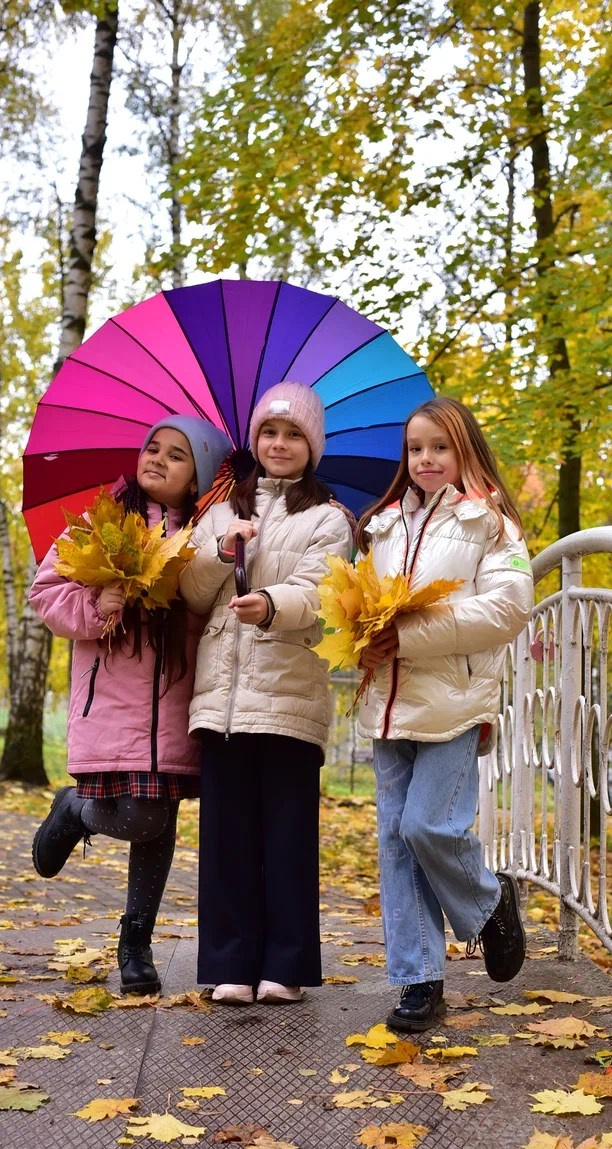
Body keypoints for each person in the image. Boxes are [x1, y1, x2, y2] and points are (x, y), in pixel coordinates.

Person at [29, 415, 232, 996]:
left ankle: (135, 942)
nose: (158, 460)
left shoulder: (199, 538)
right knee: (136, 817)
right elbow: (47, 593)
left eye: (177, 455)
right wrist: (98, 602)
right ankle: (74, 811)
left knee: (155, 820)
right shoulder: (100, 524)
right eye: (153, 448)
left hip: (172, 704)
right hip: (109, 703)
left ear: (197, 480)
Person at [355, 396, 534, 1032]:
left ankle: (490, 902)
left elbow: (505, 612)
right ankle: (419, 982)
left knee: (430, 828)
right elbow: (360, 605)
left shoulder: (492, 526)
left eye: (439, 447)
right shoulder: (380, 527)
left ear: (465, 449)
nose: (425, 459)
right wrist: (364, 636)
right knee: (396, 846)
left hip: (456, 704)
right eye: (415, 448)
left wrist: (408, 636)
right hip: (387, 705)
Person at [179, 381, 352, 1006]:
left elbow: (322, 596)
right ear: (254, 442)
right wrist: (223, 556)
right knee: (226, 836)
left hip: (289, 696)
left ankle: (287, 964)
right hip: (220, 697)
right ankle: (228, 962)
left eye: (294, 435)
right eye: (270, 434)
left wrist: (273, 603)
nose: (280, 444)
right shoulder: (220, 513)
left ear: (313, 447)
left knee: (286, 835)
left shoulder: (329, 520)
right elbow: (194, 594)